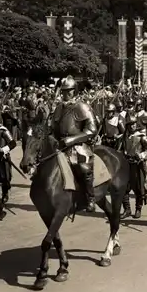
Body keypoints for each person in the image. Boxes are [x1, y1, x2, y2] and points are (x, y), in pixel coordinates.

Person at [52, 76, 99, 213]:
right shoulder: (59, 107)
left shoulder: (82, 107)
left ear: (75, 91)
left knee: (83, 169)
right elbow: (54, 127)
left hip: (78, 146)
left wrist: (72, 140)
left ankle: (90, 199)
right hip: (60, 144)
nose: (66, 94)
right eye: (64, 91)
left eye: (69, 91)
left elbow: (91, 130)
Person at [120, 114, 147, 219]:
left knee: (139, 188)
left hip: (138, 165)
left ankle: (138, 209)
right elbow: (121, 149)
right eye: (130, 124)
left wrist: (142, 155)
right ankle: (127, 209)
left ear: (136, 124)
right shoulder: (124, 137)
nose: (132, 126)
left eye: (133, 124)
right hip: (127, 165)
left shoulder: (141, 136)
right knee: (124, 189)